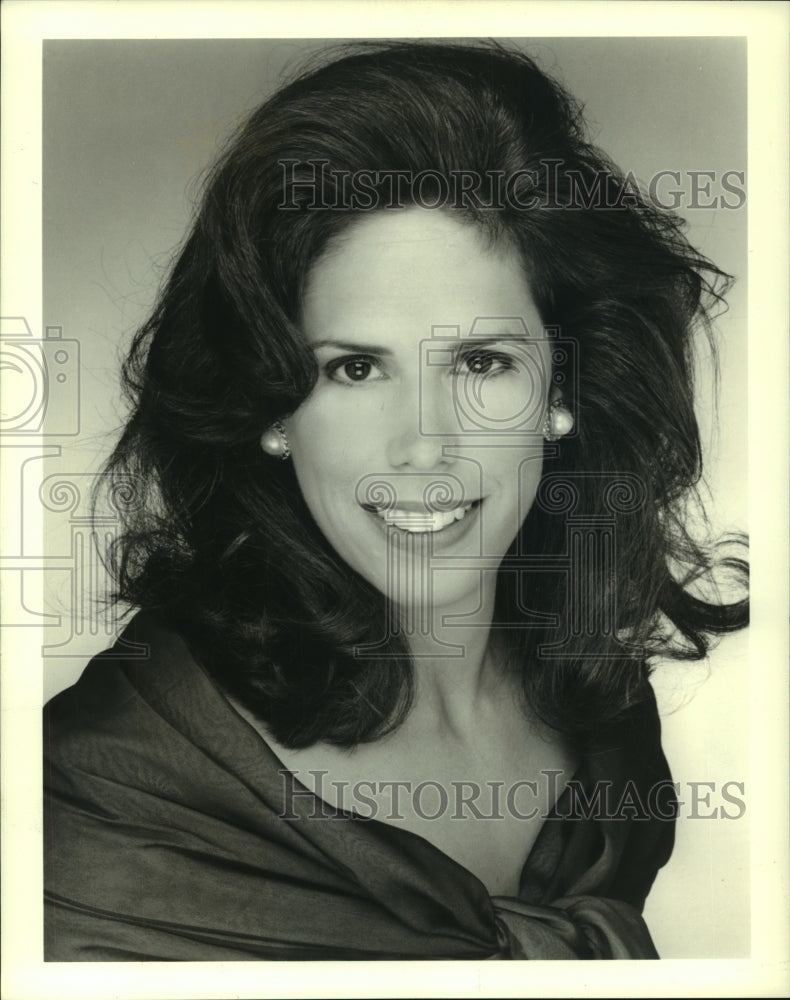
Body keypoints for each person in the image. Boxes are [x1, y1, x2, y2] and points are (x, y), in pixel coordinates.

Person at [43, 40, 748, 961]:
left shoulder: (607, 724)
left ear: (561, 395)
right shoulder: (101, 796)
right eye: (354, 367)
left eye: (482, 362)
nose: (425, 445)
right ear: (272, 406)